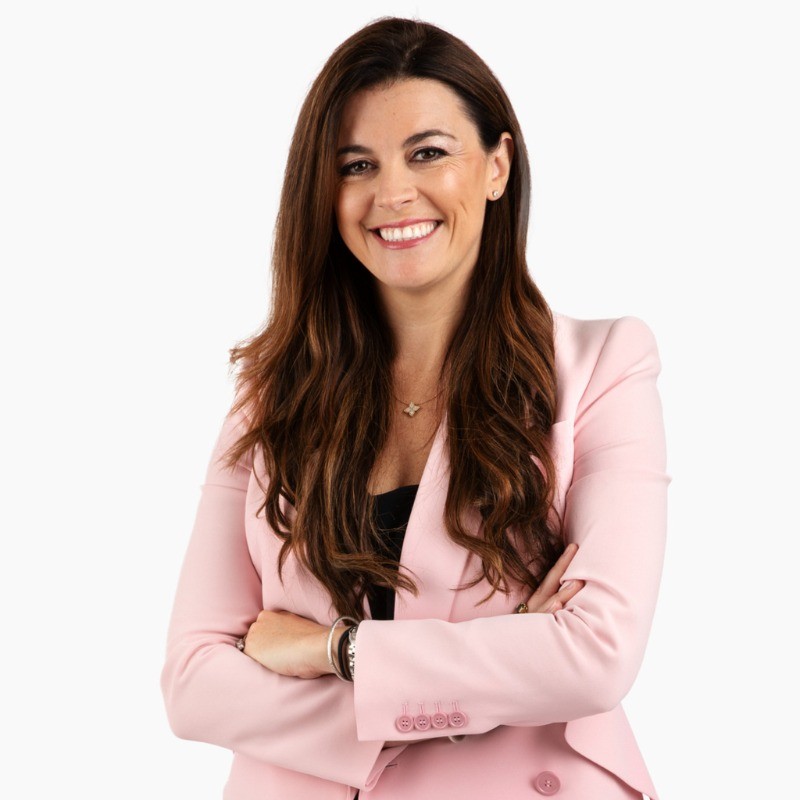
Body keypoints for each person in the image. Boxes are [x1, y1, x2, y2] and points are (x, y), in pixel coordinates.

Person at [160, 16, 670, 800]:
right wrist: (493, 676)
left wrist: (337, 651)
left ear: (497, 165)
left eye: (428, 152)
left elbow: (596, 656)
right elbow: (194, 684)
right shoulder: (271, 393)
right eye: (356, 164)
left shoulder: (602, 366)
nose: (392, 193)